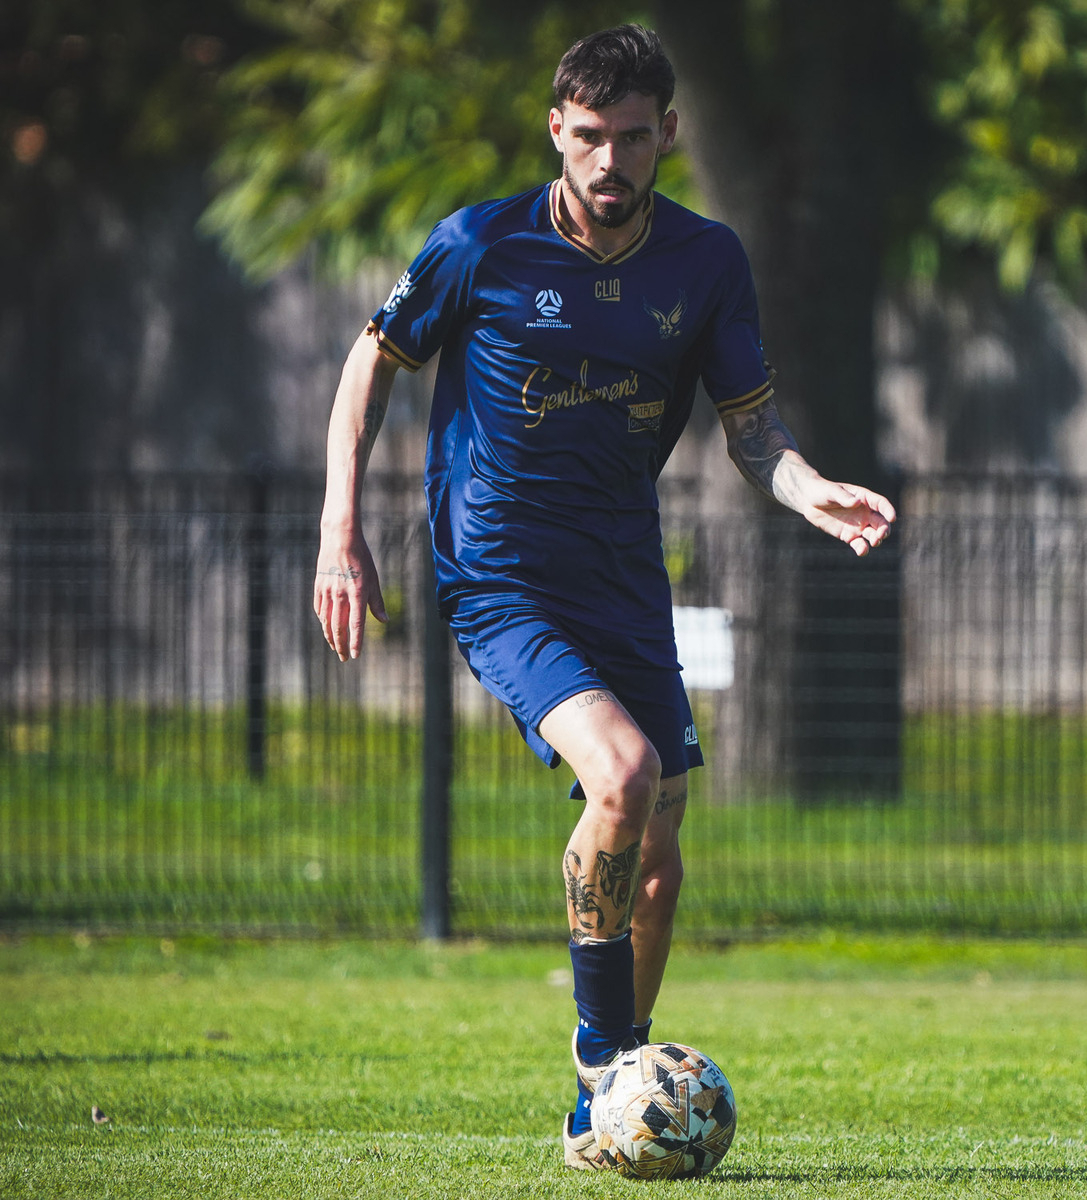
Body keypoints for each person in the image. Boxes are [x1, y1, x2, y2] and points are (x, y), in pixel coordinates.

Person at [309, 25, 894, 1171]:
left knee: (663, 852)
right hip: (501, 577)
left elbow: (750, 429)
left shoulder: (706, 260)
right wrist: (339, 533)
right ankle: (603, 1060)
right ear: (555, 133)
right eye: (589, 138)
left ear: (667, 132)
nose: (610, 161)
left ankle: (602, 1113)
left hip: (624, 577)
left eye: (633, 137)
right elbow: (369, 361)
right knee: (619, 778)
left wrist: (808, 488)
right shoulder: (480, 243)